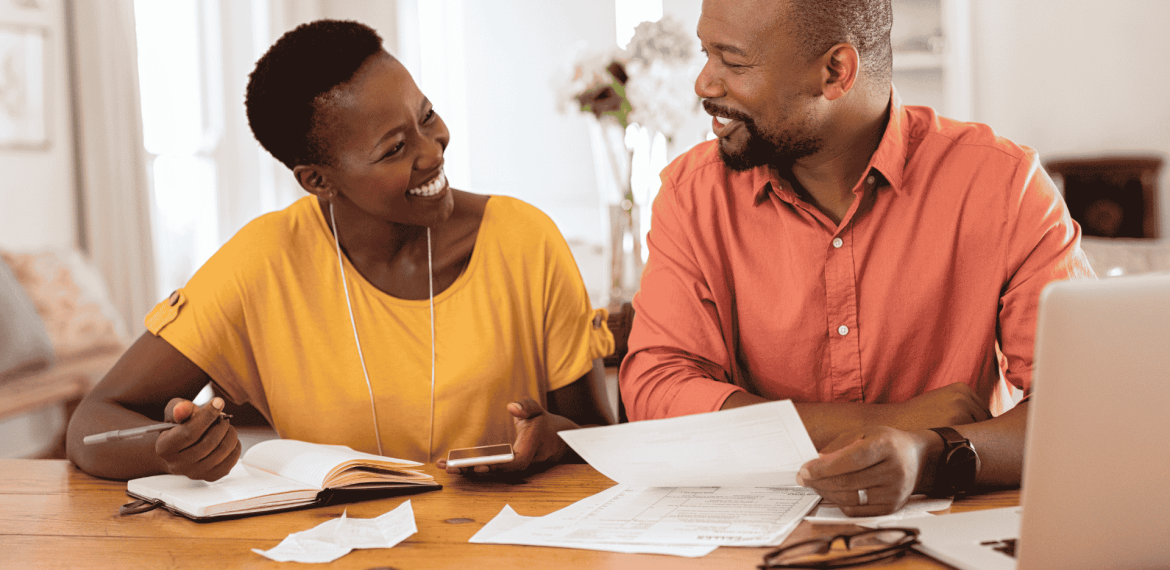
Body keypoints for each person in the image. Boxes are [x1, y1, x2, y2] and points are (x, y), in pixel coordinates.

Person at [66, 20, 614, 482]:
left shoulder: (524, 239)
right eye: (395, 148)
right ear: (318, 180)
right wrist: (169, 451)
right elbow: (93, 422)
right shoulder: (263, 262)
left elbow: (600, 440)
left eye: (426, 116)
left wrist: (551, 441)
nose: (434, 150)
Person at [620, 0, 1095, 516]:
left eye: (732, 63)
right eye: (705, 54)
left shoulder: (1003, 185)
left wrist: (931, 452)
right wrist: (888, 420)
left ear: (835, 72)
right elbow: (656, 390)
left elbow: (1084, 406)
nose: (704, 84)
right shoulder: (693, 196)